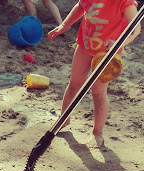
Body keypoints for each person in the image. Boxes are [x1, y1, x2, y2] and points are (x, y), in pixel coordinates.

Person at [48, 0, 141, 148]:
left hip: (106, 54)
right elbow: (80, 6)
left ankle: (97, 132)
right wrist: (64, 25)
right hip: (84, 46)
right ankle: (64, 119)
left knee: (98, 92)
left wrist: (118, 42)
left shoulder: (124, 1)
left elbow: (135, 29)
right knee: (74, 84)